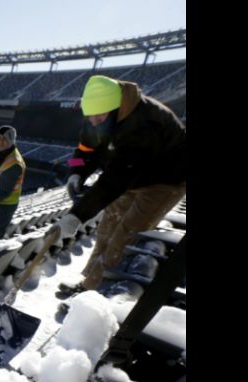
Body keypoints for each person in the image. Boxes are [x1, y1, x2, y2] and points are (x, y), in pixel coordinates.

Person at [50, 75, 186, 294]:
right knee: (106, 230)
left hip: (165, 181)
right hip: (131, 176)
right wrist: (75, 173)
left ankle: (96, 294)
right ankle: (87, 285)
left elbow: (117, 177)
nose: (93, 122)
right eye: (90, 117)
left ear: (116, 109)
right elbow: (84, 150)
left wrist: (78, 215)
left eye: (99, 117)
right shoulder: (97, 114)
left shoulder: (144, 123)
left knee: (124, 235)